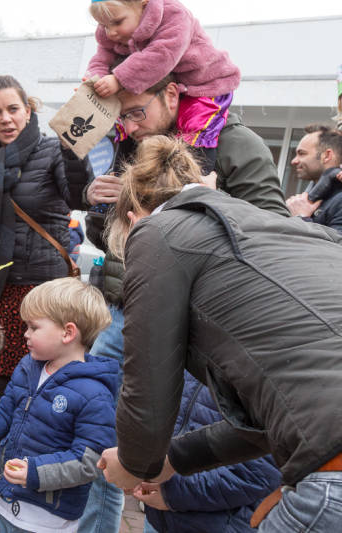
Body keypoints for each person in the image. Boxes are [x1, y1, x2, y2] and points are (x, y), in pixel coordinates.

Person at [73, 71, 289, 533]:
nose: (129, 125)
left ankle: (179, 506)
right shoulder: (127, 143)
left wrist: (206, 209)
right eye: (121, 115)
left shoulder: (232, 141)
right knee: (98, 426)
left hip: (206, 316)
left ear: (171, 92)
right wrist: (98, 206)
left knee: (196, 429)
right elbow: (114, 239)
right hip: (127, 303)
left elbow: (271, 232)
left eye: (136, 111)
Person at [98, 135, 342, 533]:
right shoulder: (294, 232)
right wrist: (171, 460)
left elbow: (149, 383)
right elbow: (263, 425)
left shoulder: (159, 229)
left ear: (132, 220)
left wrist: (133, 463)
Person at [0, 74, 88, 531]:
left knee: (23, 396)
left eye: (13, 109)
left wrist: (74, 150)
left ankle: (2, 491)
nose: (5, 119)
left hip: (38, 293)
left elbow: (77, 193)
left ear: (28, 108)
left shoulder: (51, 149)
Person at [0, 277, 117, 532]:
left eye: (34, 327)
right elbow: (4, 415)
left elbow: (87, 463)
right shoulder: (29, 367)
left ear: (68, 333)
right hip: (4, 503)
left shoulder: (94, 393)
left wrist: (35, 473)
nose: (25, 333)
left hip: (47, 521)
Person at [86, 0, 240, 171]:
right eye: (104, 26)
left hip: (206, 85)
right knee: (124, 124)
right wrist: (94, 81)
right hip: (175, 83)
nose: (111, 33)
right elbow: (102, 57)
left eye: (117, 23)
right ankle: (120, 174)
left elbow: (161, 55)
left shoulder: (174, 15)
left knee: (195, 130)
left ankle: (198, 178)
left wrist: (117, 79)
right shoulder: (115, 30)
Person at [136, 372, 281, 533]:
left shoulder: (273, 370)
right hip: (161, 512)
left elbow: (259, 472)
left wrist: (175, 493)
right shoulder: (203, 352)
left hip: (219, 521)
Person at [286, 124, 342, 233]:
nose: (294, 161)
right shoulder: (309, 197)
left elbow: (336, 248)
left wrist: (302, 219)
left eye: (302, 153)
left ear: (326, 155)